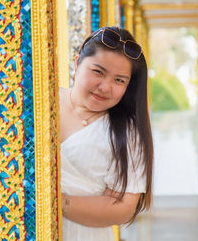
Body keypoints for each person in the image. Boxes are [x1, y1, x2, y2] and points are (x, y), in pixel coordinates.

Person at [59, 26, 153, 240]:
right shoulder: (39, 103)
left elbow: (123, 207)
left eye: (119, 80)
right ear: (77, 63)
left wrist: (59, 201)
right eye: (98, 72)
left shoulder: (127, 134)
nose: (105, 87)